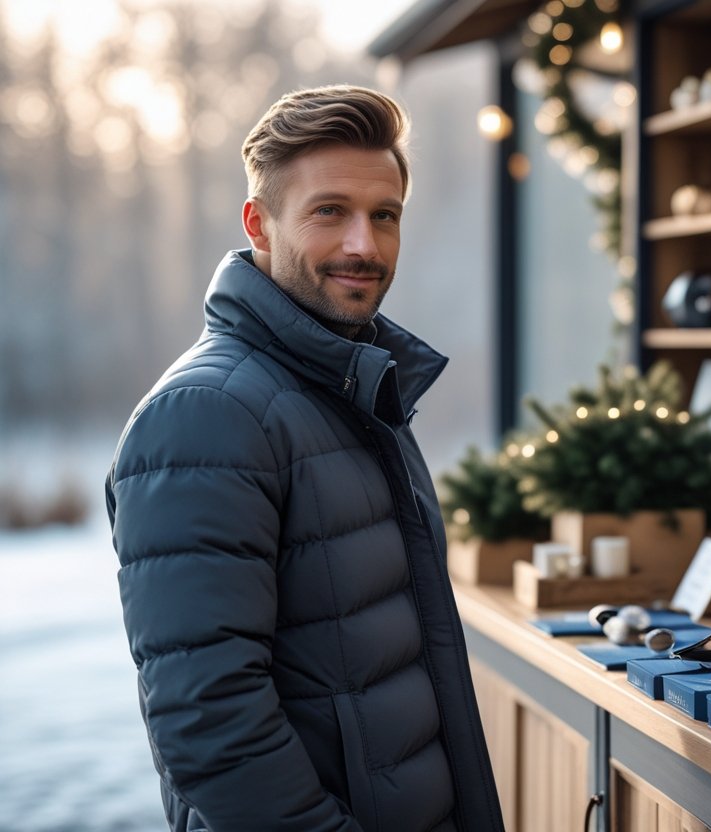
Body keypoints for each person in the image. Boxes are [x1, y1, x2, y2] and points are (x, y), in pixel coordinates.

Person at [105, 85, 504, 832]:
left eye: (384, 216)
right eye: (330, 211)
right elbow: (212, 727)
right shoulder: (207, 415)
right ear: (259, 223)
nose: (364, 246)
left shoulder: (350, 388)